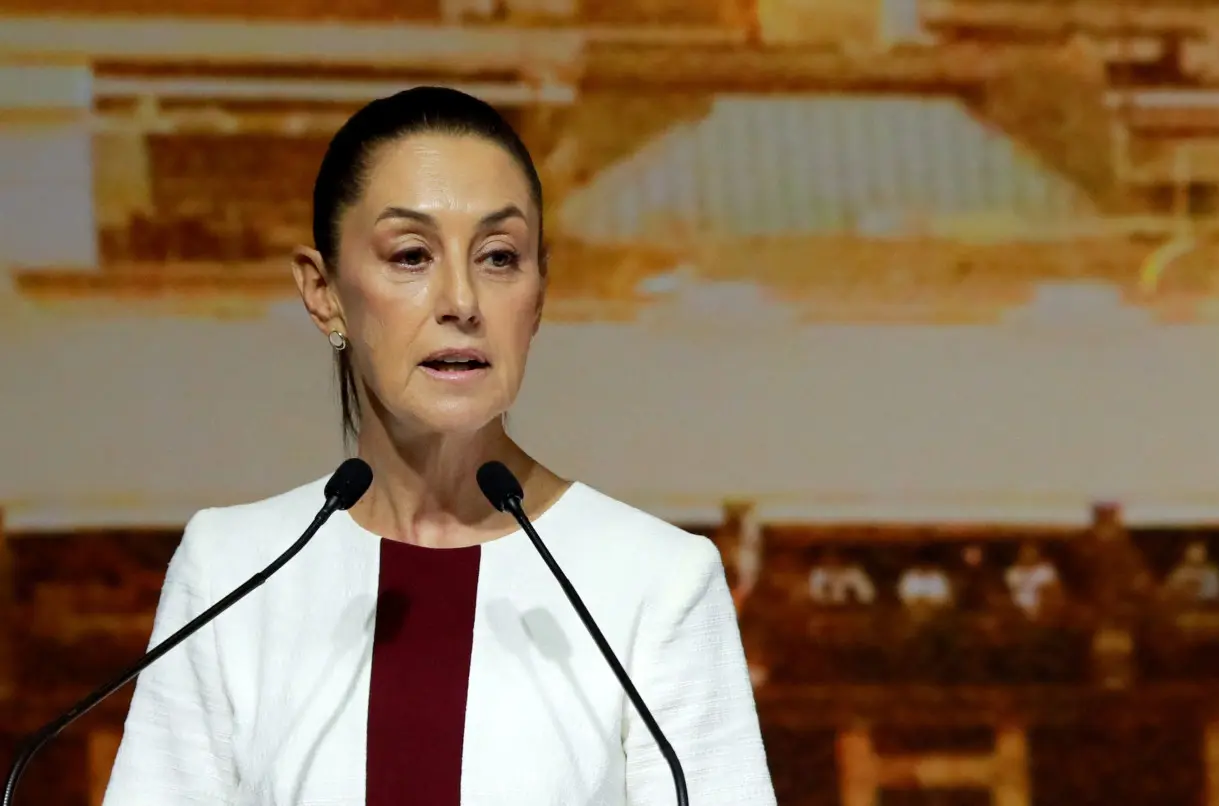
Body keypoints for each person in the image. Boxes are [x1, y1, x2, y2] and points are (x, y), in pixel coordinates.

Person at [101, 87, 776, 806]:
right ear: (323, 291)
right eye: (412, 255)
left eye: (498, 256)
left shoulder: (658, 583)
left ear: (539, 293)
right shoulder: (232, 572)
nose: (461, 301)